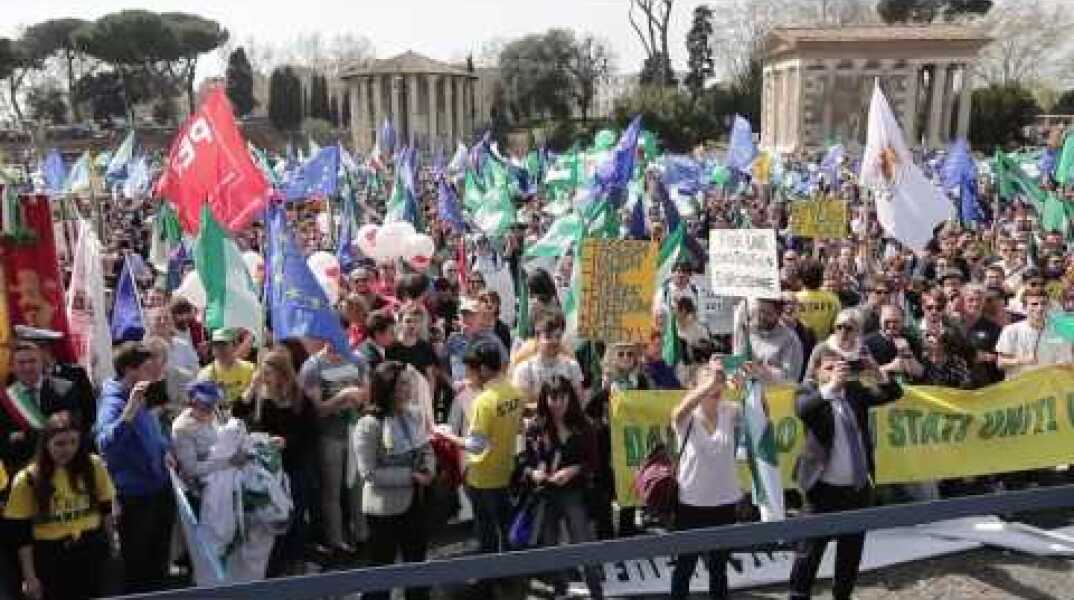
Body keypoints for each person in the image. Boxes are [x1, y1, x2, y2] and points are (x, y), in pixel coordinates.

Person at [788, 346, 902, 600]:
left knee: (849, 559)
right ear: (816, 372)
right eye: (829, 368)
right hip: (822, 492)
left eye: (840, 367)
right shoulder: (809, 391)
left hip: (856, 491)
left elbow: (893, 393)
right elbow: (803, 410)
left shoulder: (854, 392)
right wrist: (830, 387)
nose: (836, 372)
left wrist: (876, 370)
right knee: (808, 556)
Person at [4, 412, 116, 600]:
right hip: (51, 557)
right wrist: (30, 577)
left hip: (91, 550)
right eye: (60, 443)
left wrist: (112, 545)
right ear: (46, 443)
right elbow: (20, 536)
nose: (68, 449)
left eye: (73, 442)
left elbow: (106, 508)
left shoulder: (93, 466)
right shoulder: (28, 479)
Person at [95, 341, 176, 594]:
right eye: (147, 364)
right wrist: (127, 415)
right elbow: (105, 444)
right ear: (130, 370)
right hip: (136, 497)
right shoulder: (114, 403)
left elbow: (152, 431)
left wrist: (165, 450)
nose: (156, 367)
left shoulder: (141, 393)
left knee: (159, 560)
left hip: (159, 488)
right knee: (139, 566)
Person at [354, 361, 435, 600]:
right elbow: (369, 472)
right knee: (381, 570)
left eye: (408, 383)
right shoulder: (368, 425)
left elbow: (426, 448)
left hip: (415, 503)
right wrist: (410, 477)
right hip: (384, 510)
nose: (408, 388)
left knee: (416, 564)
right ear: (387, 387)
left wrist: (429, 469)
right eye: (402, 384)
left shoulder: (414, 414)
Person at [438, 343, 523, 571]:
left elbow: (475, 446)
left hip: (482, 476)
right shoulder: (513, 391)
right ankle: (509, 569)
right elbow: (518, 429)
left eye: (470, 370)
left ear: (483, 370)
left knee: (485, 530)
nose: (467, 376)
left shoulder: (483, 402)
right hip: (505, 469)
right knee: (505, 526)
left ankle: (489, 574)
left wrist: (447, 435)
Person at [234, 349, 315, 577]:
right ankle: (273, 566)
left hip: (293, 466)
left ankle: (295, 561)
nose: (265, 377)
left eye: (269, 373)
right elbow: (236, 414)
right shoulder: (260, 397)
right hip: (266, 469)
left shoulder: (299, 398)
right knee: (271, 518)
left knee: (295, 515)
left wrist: (287, 441)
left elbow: (309, 432)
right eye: (263, 372)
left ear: (283, 373)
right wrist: (251, 388)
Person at [521, 377, 603, 599]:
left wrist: (573, 470)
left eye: (562, 397)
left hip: (574, 494)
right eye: (552, 397)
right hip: (546, 494)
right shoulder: (536, 427)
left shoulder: (584, 426)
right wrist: (534, 473)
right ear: (544, 398)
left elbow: (594, 463)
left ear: (570, 397)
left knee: (582, 545)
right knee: (551, 546)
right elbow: (524, 463)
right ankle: (560, 589)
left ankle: (596, 592)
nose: (557, 403)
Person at [669, 359, 744, 600]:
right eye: (708, 378)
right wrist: (709, 383)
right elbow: (679, 411)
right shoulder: (686, 417)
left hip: (724, 503)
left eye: (718, 379)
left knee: (719, 567)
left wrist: (748, 383)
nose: (715, 385)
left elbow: (761, 412)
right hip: (692, 504)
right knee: (685, 565)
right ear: (695, 386)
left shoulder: (729, 410)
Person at [298, 340, 367, 556]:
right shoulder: (313, 366)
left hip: (356, 432)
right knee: (332, 490)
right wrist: (341, 398)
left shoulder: (358, 360)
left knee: (358, 486)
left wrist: (357, 400)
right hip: (329, 436)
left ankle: (362, 535)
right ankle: (336, 540)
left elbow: (367, 398)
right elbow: (315, 411)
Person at [2, 341, 83, 473]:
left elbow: (73, 430)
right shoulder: (4, 400)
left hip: (63, 469)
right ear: (12, 367)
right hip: (22, 472)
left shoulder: (65, 390)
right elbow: (4, 444)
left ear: (42, 363)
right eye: (21, 362)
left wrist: (25, 436)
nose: (28, 367)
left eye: (33, 361)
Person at [996, 288, 1073, 378]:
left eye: (1043, 304)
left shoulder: (1060, 332)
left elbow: (1067, 361)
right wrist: (1022, 360)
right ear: (1025, 307)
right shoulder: (1010, 331)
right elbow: (1000, 363)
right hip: (1020, 387)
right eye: (1034, 304)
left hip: (1049, 388)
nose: (1039, 308)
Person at [511, 312, 584, 407]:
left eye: (558, 337)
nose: (554, 341)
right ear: (537, 338)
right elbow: (520, 406)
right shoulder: (524, 370)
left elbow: (578, 401)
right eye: (548, 337)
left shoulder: (572, 366)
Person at [197, 328, 256, 412]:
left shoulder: (250, 369)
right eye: (216, 345)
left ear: (235, 346)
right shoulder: (205, 374)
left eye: (224, 345)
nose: (220, 349)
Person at [796, 257, 842, 342]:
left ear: (801, 278)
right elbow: (837, 328)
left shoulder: (794, 300)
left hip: (800, 347)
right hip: (823, 347)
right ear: (821, 279)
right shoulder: (833, 299)